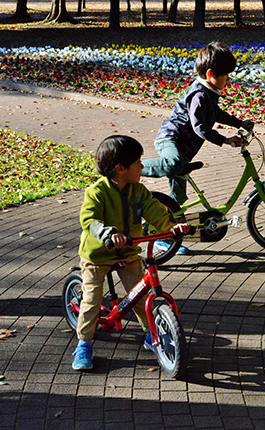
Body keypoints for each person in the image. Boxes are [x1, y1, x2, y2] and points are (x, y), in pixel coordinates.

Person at [71, 134, 190, 371]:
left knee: (141, 296)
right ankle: (84, 343)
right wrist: (108, 233)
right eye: (138, 163)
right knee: (92, 299)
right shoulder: (97, 192)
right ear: (121, 168)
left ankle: (151, 333)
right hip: (98, 255)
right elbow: (90, 220)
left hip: (127, 252)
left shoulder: (139, 191)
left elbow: (153, 210)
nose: (142, 166)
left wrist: (170, 227)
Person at [141, 41, 253, 255]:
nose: (228, 80)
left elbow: (216, 115)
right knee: (173, 164)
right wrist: (225, 140)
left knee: (177, 201)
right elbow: (200, 127)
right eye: (226, 75)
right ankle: (133, 168)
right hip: (170, 140)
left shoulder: (209, 93)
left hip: (184, 150)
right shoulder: (199, 95)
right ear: (211, 74)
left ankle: (162, 237)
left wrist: (239, 123)